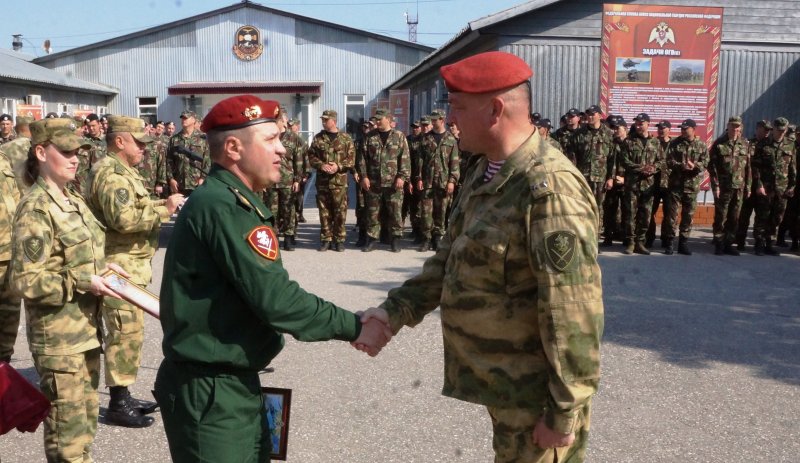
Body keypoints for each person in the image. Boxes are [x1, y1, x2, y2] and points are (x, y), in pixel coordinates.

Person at [358, 51, 603, 462]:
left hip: (535, 398)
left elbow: (573, 312)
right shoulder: (485, 170)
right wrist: (392, 313)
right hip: (505, 387)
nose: (450, 120)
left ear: (494, 109)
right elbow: (448, 260)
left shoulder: (548, 189)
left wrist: (564, 412)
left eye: (456, 107)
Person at [153, 95, 390, 463]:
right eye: (270, 140)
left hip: (231, 383)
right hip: (212, 392)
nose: (281, 149)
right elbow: (277, 300)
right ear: (233, 148)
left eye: (280, 139)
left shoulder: (233, 201)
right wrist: (355, 327)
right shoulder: (222, 206)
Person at [9, 118, 125, 462]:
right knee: (68, 443)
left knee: (83, 432)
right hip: (60, 344)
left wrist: (104, 269)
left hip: (86, 334)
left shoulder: (72, 198)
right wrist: (81, 280)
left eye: (78, 152)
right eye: (67, 152)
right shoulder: (36, 208)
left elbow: (79, 257)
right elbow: (26, 281)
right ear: (42, 152)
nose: (75, 159)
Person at [85, 116, 185, 428]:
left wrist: (160, 205)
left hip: (129, 264)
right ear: (119, 141)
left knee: (129, 333)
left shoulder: (121, 171)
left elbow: (131, 210)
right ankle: (118, 403)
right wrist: (165, 210)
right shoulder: (112, 173)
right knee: (123, 332)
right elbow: (124, 220)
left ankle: (123, 394)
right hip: (119, 265)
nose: (144, 147)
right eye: (138, 142)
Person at [358, 108, 410, 252]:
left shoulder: (399, 136)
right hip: (374, 182)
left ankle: (395, 239)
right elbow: (362, 159)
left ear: (388, 119)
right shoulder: (369, 137)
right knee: (373, 212)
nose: (377, 121)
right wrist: (364, 176)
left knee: (395, 212)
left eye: (380, 119)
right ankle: (372, 239)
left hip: (393, 182)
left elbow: (405, 159)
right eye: (376, 119)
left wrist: (402, 176)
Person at [308, 109, 355, 251]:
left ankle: (339, 239)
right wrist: (321, 165)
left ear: (334, 121)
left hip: (339, 182)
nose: (323, 122)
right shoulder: (318, 138)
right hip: (322, 182)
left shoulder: (346, 139)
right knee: (324, 212)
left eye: (326, 120)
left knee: (340, 212)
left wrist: (338, 166)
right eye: (322, 119)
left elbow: (352, 160)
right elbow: (311, 156)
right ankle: (326, 239)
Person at [750, 117, 796, 256]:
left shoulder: (790, 145)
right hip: (766, 187)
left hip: (782, 189)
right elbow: (755, 167)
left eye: (784, 130)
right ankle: (759, 243)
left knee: (777, 217)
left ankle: (769, 243)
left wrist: (792, 186)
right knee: (762, 216)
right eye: (779, 130)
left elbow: (793, 168)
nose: (781, 132)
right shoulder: (763, 145)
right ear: (773, 129)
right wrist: (758, 185)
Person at [618, 113, 663, 254]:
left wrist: (653, 169)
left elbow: (662, 161)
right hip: (632, 184)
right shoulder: (628, 141)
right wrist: (641, 169)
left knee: (646, 215)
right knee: (631, 215)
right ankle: (630, 242)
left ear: (648, 124)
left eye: (641, 123)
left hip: (648, 185)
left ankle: (640, 242)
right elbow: (624, 160)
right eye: (636, 124)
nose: (638, 126)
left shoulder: (655, 142)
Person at [416, 109, 460, 252]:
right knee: (426, 212)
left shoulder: (450, 139)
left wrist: (452, 181)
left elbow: (454, 163)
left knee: (441, 211)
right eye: (432, 120)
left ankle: (437, 238)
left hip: (443, 181)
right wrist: (419, 178)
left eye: (436, 120)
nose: (433, 122)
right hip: (428, 181)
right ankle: (426, 239)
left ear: (442, 120)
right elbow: (420, 160)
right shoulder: (425, 138)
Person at [663, 119, 709, 255]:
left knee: (688, 216)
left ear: (693, 129)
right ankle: (670, 243)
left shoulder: (701, 145)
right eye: (682, 128)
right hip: (676, 185)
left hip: (692, 187)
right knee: (672, 216)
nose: (683, 130)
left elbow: (706, 162)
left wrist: (695, 166)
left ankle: (683, 243)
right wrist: (680, 166)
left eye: (685, 128)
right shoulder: (674, 143)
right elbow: (669, 160)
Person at [708, 116, 750, 255]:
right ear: (728, 126)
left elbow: (748, 168)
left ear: (740, 128)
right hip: (724, 188)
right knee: (721, 217)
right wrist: (716, 187)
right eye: (733, 126)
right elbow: (712, 167)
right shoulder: (719, 144)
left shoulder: (744, 144)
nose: (735, 129)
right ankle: (719, 243)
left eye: (737, 127)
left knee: (734, 217)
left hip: (739, 187)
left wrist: (748, 187)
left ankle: (729, 244)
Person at [572, 105, 614, 234]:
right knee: (582, 206)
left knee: (599, 207)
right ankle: (583, 236)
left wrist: (611, 177)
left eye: (592, 114)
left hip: (601, 177)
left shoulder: (608, 134)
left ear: (600, 116)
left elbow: (612, 158)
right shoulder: (579, 133)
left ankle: (595, 238)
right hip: (583, 177)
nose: (589, 117)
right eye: (588, 114)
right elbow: (573, 156)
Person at [0, 146, 21, 363]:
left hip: (9, 253)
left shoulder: (3, 159)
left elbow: (15, 198)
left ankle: (4, 369)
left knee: (9, 318)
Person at [167, 110, 210, 195]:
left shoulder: (203, 138)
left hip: (197, 183)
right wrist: (171, 179)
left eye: (186, 118)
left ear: (194, 120)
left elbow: (207, 160)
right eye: (182, 118)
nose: (183, 120)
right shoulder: (174, 139)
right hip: (179, 184)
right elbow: (169, 161)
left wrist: (203, 178)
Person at [645, 120, 673, 249]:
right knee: (650, 212)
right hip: (653, 184)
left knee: (669, 214)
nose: (661, 130)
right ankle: (649, 238)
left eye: (664, 128)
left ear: (669, 129)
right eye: (659, 128)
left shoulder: (675, 144)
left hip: (670, 184)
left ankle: (666, 240)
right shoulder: (652, 143)